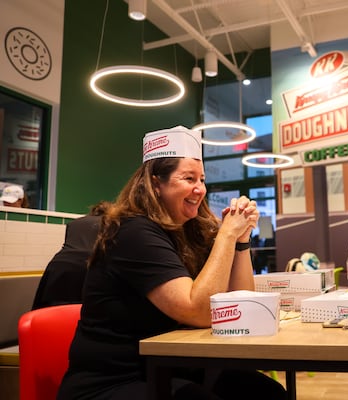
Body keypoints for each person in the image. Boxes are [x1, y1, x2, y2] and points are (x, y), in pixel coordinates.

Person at [58, 126, 286, 400]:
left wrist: (241, 240)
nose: (199, 189)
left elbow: (241, 302)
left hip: (176, 368)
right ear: (156, 183)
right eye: (188, 178)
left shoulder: (191, 230)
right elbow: (198, 311)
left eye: (202, 179)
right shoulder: (133, 232)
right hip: (113, 382)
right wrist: (227, 232)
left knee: (266, 393)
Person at [31, 201, 111, 310]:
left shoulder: (74, 223)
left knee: (52, 311)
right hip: (87, 266)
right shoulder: (110, 223)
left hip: (57, 266)